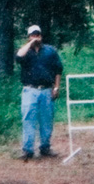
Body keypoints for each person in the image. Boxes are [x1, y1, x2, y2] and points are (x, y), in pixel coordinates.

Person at [16, 25, 63, 160]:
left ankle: (45, 147)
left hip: (47, 90)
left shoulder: (50, 51)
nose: (35, 37)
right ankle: (28, 150)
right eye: (33, 34)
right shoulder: (25, 51)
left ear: (41, 35)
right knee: (28, 119)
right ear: (29, 36)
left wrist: (56, 87)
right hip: (29, 90)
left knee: (46, 119)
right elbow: (18, 57)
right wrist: (30, 43)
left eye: (37, 34)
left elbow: (58, 69)